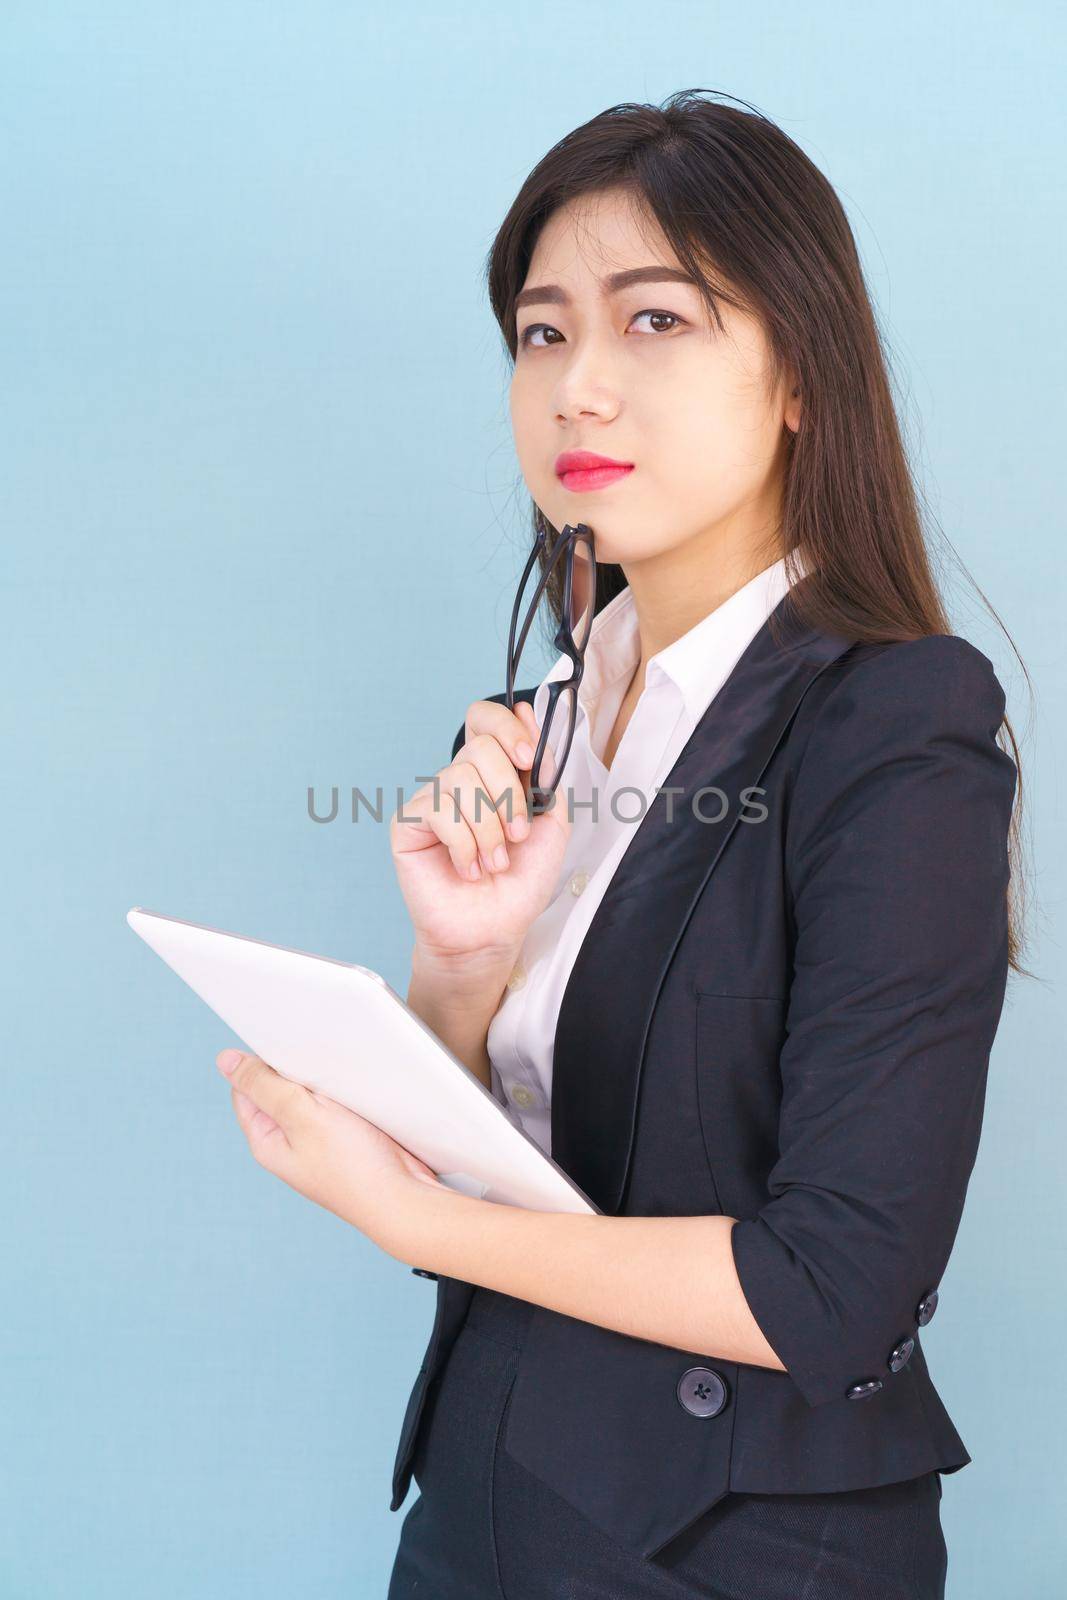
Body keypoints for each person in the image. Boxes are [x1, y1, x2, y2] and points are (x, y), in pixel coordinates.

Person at [216, 90, 1027, 1597]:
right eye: (542, 332)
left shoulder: (898, 722)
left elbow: (836, 1285)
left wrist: (420, 1214)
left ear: (800, 376)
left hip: (732, 1553)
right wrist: (457, 968)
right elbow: (529, 1164)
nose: (580, 387)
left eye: (655, 321)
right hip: (485, 1505)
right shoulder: (546, 716)